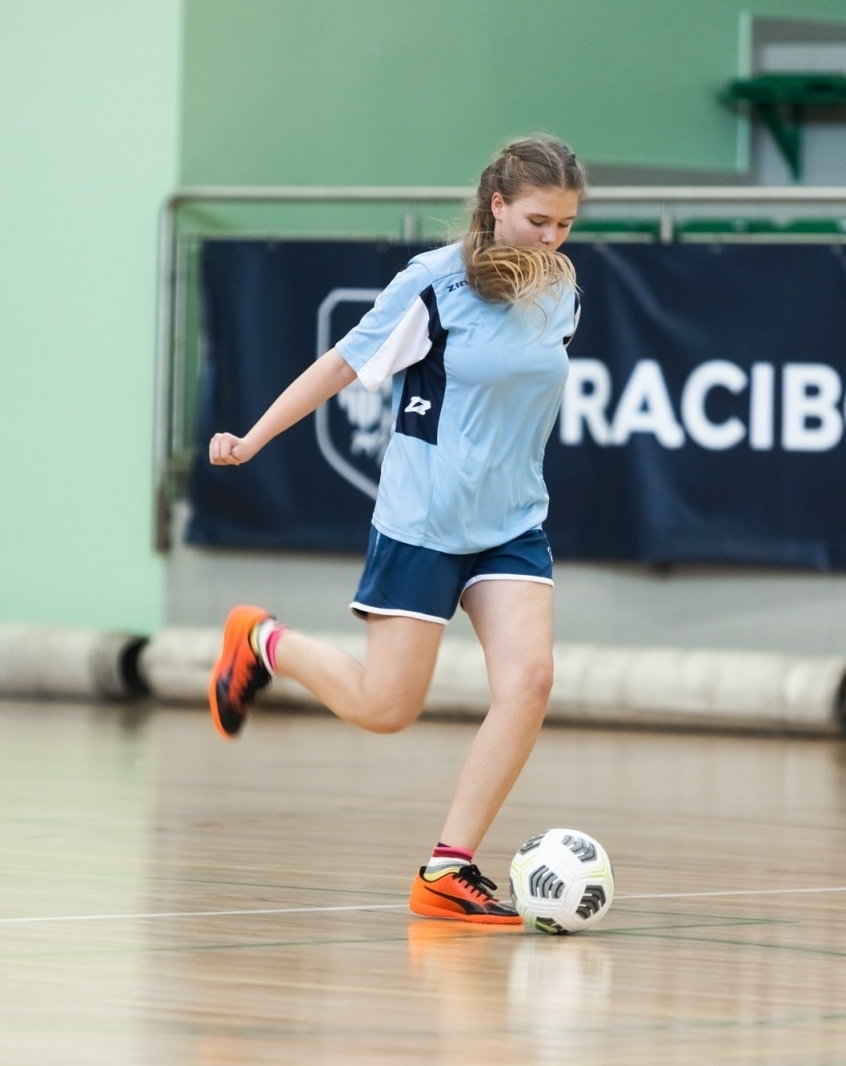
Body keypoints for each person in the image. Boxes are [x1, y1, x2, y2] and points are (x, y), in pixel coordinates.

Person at [205, 135, 585, 925]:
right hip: (425, 521)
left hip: (513, 522)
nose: (552, 239)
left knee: (530, 683)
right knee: (386, 709)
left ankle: (448, 868)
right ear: (498, 207)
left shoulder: (562, 291)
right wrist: (253, 439)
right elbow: (341, 365)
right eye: (538, 221)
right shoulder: (434, 283)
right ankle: (263, 642)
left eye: (566, 225)